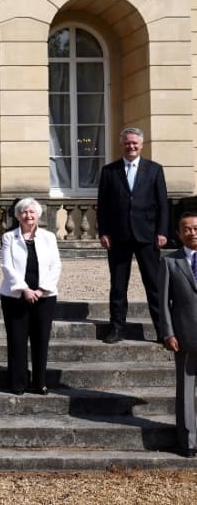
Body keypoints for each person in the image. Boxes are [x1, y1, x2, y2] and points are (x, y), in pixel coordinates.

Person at [97, 126, 168, 344]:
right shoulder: (109, 171)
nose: (131, 146)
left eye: (134, 143)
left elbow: (163, 204)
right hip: (118, 236)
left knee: (154, 285)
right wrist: (104, 232)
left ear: (141, 144)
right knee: (118, 285)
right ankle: (117, 328)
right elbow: (103, 205)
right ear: (122, 144)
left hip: (147, 235)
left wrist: (162, 232)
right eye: (127, 142)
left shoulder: (154, 169)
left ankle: (163, 331)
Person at [0, 198, 61, 395]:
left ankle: (39, 382)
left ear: (38, 215)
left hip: (45, 295)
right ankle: (18, 383)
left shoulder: (49, 237)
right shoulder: (9, 237)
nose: (28, 215)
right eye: (24, 212)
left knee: (41, 339)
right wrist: (24, 289)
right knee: (17, 340)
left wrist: (42, 289)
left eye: (32, 212)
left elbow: (56, 265)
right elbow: (7, 266)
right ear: (18, 215)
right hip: (15, 296)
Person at [160, 212, 197, 458]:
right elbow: (163, 302)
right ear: (178, 233)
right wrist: (168, 333)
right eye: (187, 229)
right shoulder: (170, 262)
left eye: (195, 228)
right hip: (184, 335)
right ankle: (188, 442)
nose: (192, 232)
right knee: (185, 391)